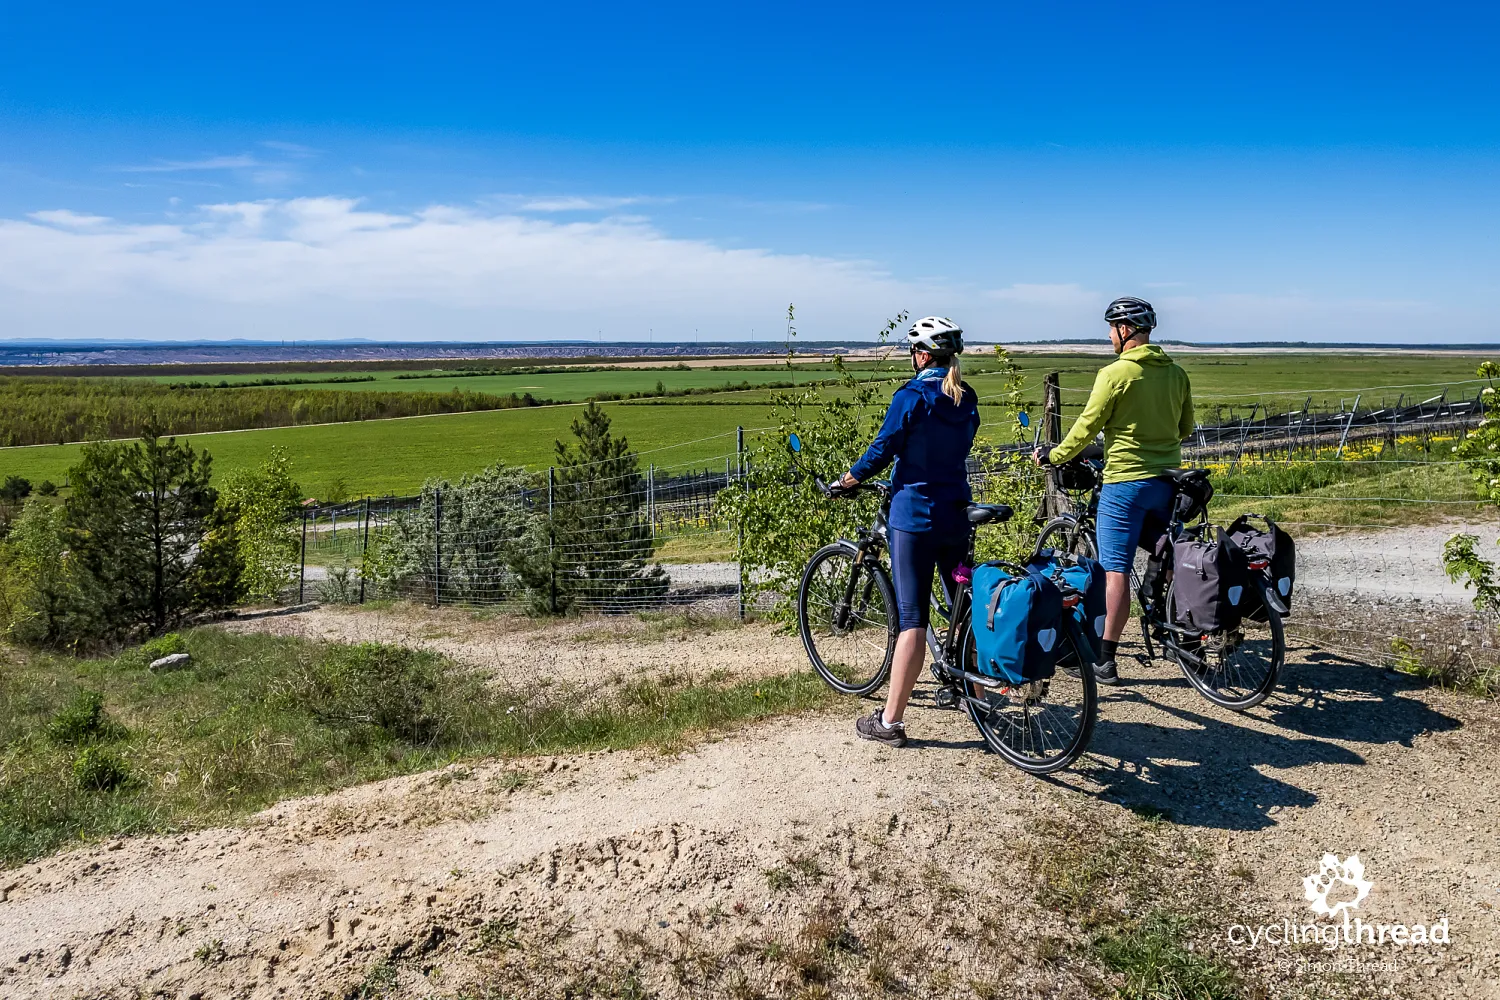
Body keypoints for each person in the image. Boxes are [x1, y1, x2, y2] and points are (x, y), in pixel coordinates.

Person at [835, 316, 980, 748]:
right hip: (956, 510)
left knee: (912, 619)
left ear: (921, 355)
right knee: (963, 607)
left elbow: (884, 447)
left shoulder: (912, 395)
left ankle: (891, 721)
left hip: (914, 516)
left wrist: (850, 479)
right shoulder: (965, 396)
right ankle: (978, 696)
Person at [1033, 296, 1194, 685]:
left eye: (1111, 329)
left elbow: (1087, 426)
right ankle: (1175, 629)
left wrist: (1055, 454)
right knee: (1167, 548)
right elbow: (1184, 428)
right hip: (1168, 482)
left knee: (1114, 570)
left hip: (1125, 484)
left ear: (1125, 330)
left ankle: (1105, 658)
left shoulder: (1115, 374)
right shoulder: (1176, 373)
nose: (1109, 336)